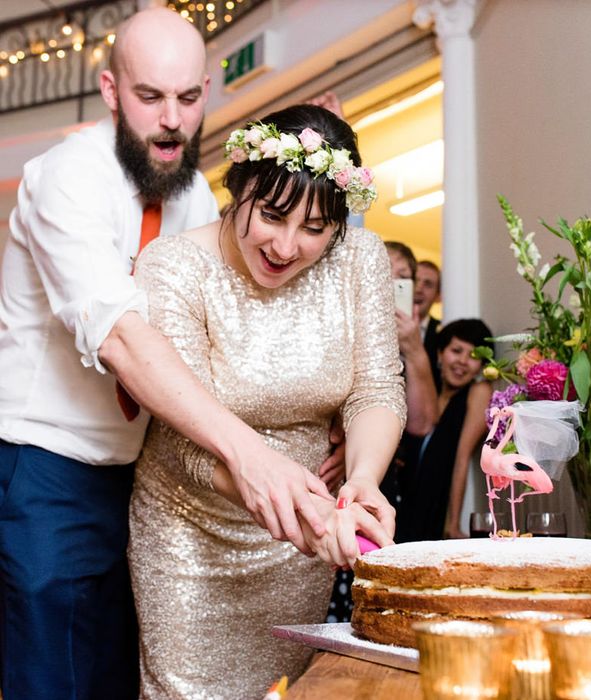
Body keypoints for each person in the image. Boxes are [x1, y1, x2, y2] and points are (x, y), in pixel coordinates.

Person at [0, 9, 334, 698]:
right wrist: (249, 453)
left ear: (207, 90)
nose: (172, 121)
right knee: (53, 682)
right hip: (43, 472)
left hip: (140, 481)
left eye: (187, 98)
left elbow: (231, 328)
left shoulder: (191, 199)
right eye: (150, 97)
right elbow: (122, 336)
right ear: (111, 90)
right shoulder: (68, 177)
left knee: (118, 681)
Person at [128, 104, 405, 696]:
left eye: (314, 229)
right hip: (193, 534)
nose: (286, 246)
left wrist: (362, 481)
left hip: (301, 541)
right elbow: (186, 440)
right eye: (273, 215)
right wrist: (304, 511)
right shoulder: (174, 267)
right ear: (239, 187)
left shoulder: (359, 259)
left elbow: (376, 387)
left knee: (288, 689)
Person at [396, 319, 493, 542]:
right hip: (402, 497)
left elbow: (462, 456)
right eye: (456, 351)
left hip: (435, 504)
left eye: (474, 356)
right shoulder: (425, 389)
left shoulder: (477, 392)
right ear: (440, 354)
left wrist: (453, 523)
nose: (463, 362)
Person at [415, 259, 442, 388]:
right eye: (414, 280)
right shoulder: (381, 325)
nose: (419, 288)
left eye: (428, 284)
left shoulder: (443, 333)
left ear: (438, 296)